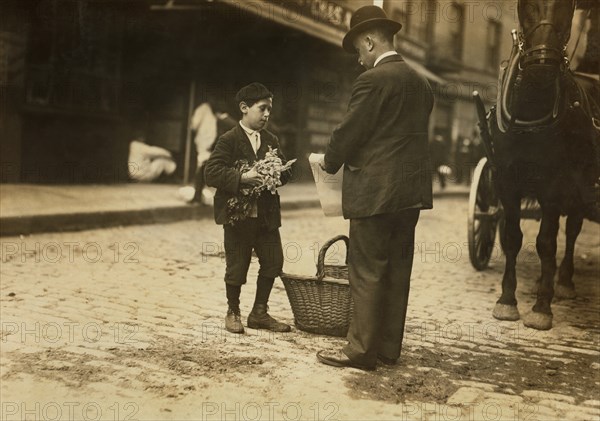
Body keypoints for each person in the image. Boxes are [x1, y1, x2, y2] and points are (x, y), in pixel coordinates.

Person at [316, 5, 434, 371]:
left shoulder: (372, 81)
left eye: (358, 51)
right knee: (398, 268)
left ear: (369, 41)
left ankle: (360, 351)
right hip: (410, 195)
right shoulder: (422, 83)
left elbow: (350, 132)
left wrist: (328, 161)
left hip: (374, 193)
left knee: (366, 270)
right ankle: (387, 348)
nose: (359, 61)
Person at [204, 82, 292, 334]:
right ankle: (233, 311)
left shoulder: (271, 139)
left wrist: (276, 172)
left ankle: (259, 312)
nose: (267, 115)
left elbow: (285, 171)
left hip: (265, 215)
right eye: (262, 109)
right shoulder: (229, 139)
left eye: (269, 111)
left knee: (274, 261)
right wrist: (242, 178)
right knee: (237, 266)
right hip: (238, 216)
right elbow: (211, 172)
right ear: (244, 108)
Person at [190, 102, 237, 204]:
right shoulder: (227, 121)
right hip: (221, 151)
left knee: (204, 171)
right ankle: (198, 197)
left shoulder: (223, 121)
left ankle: (197, 197)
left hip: (223, 152)